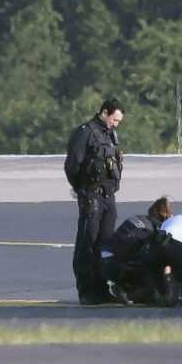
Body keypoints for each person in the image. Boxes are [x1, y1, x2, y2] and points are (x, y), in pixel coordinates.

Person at [64, 98, 125, 305]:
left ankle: (101, 288)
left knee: (105, 245)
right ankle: (86, 290)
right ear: (105, 112)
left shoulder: (110, 135)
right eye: (114, 119)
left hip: (109, 196)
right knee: (87, 244)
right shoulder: (85, 133)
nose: (116, 124)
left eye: (118, 121)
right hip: (91, 196)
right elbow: (72, 165)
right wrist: (82, 189)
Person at [100, 197, 173, 305]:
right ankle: (128, 292)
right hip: (118, 264)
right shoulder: (155, 229)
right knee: (154, 270)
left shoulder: (139, 219)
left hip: (105, 258)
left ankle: (123, 286)